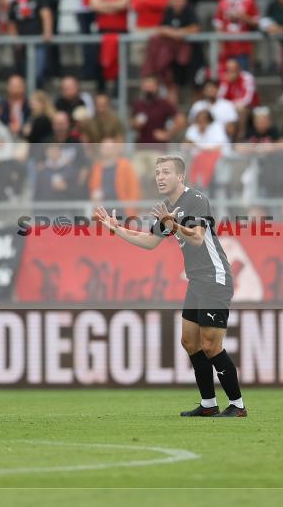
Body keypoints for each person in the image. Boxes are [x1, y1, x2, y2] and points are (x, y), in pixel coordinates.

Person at [94, 156, 245, 418]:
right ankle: (209, 404)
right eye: (157, 173)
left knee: (211, 345)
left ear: (180, 177)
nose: (160, 177)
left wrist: (172, 223)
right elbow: (151, 241)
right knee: (190, 341)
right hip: (197, 281)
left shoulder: (195, 200)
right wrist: (116, 228)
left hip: (214, 278)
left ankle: (238, 405)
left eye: (166, 172)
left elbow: (198, 239)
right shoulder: (166, 206)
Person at [7, 0, 52, 88]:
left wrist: (47, 32)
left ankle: (38, 94)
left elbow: (46, 15)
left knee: (38, 72)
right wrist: (15, 39)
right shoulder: (14, 2)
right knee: (24, 72)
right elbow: (11, 23)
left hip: (38, 40)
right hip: (22, 42)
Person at [213, 0, 259, 70]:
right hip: (227, 48)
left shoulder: (249, 0)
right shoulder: (222, 2)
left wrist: (243, 17)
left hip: (244, 48)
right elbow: (218, 25)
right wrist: (220, 47)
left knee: (244, 74)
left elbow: (256, 23)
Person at [132, 76, 177, 148]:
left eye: (151, 86)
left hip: (158, 147)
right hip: (141, 147)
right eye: (146, 86)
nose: (148, 89)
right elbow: (132, 124)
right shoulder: (138, 104)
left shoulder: (164, 103)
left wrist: (167, 134)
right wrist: (136, 124)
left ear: (157, 87)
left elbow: (180, 120)